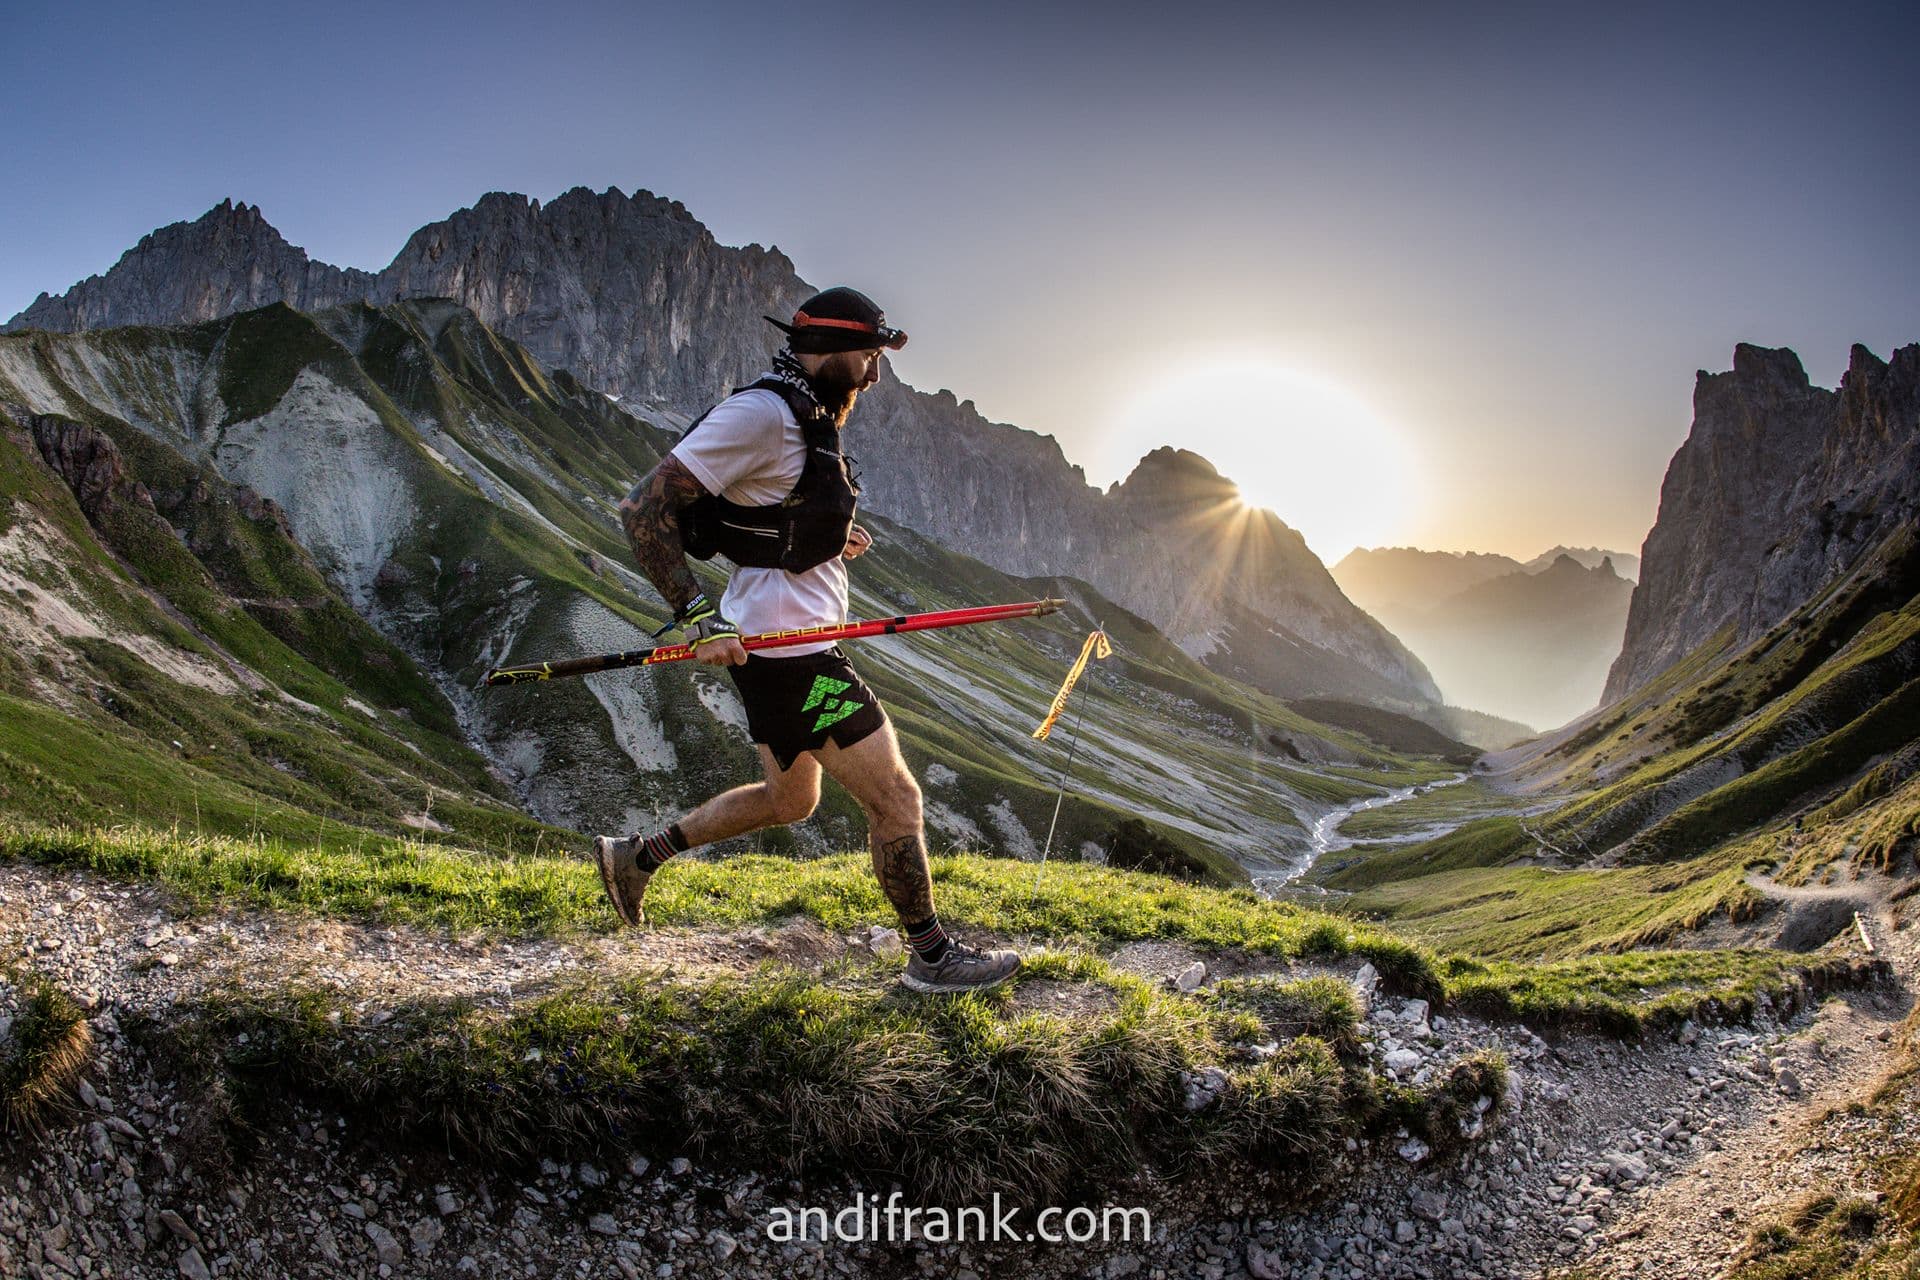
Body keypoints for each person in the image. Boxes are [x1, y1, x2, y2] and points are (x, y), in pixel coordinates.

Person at [593, 287, 1022, 994]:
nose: (875, 374)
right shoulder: (761, 413)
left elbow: (765, 515)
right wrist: (697, 616)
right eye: (868, 357)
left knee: (791, 800)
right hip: (792, 658)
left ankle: (637, 858)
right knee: (897, 800)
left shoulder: (807, 413)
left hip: (784, 651)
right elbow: (643, 507)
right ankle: (933, 958)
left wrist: (826, 537)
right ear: (826, 349)